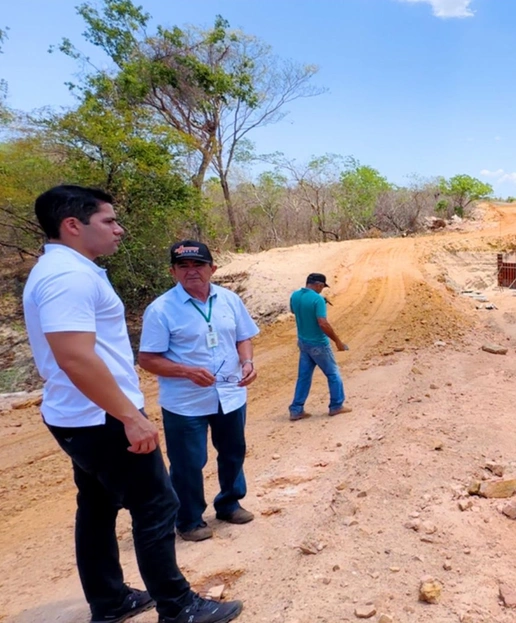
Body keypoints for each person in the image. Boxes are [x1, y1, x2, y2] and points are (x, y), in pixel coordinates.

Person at [22, 185, 242, 623]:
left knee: (98, 506)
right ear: (72, 225)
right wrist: (128, 416)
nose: (119, 230)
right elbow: (74, 355)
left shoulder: (65, 270)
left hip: (80, 411)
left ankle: (110, 600)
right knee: (157, 505)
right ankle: (178, 607)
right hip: (101, 414)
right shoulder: (69, 277)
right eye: (109, 221)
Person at [138, 240, 259, 543]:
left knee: (233, 453)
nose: (191, 271)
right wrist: (186, 371)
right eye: (183, 266)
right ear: (173, 271)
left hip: (230, 394)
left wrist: (247, 362)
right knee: (188, 463)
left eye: (198, 265)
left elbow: (244, 336)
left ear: (212, 269)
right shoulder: (161, 309)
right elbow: (147, 359)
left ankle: (229, 504)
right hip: (185, 402)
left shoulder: (230, 300)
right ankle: (189, 519)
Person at [288, 273, 351, 421]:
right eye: (322, 287)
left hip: (303, 342)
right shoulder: (318, 300)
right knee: (333, 374)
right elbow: (323, 323)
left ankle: (296, 409)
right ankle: (336, 405)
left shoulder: (295, 295)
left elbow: (293, 310)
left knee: (303, 377)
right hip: (318, 344)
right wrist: (338, 341)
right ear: (319, 285)